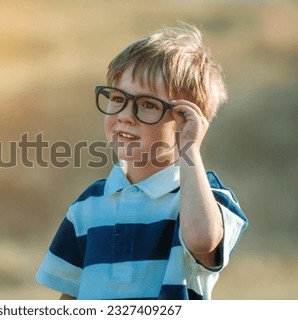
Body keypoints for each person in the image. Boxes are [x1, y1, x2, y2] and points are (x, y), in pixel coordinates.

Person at [35, 23, 248, 300]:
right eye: (118, 98)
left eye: (147, 104)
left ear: (186, 121)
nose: (125, 114)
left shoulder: (203, 196)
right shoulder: (88, 204)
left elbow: (202, 241)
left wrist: (190, 150)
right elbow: (72, 296)